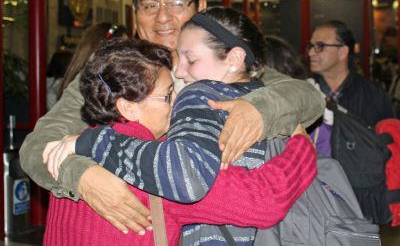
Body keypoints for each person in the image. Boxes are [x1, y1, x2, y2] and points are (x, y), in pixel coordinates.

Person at [20, 0, 324, 235]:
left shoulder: (219, 66)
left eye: (176, 3)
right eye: (150, 5)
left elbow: (304, 96)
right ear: (136, 12)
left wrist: (259, 110)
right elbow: (37, 147)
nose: (163, 17)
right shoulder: (115, 71)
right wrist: (83, 177)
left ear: (199, 8)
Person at [42, 37, 316, 245]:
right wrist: (301, 147)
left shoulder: (73, 162)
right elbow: (264, 201)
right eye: (167, 95)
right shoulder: (162, 166)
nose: (176, 105)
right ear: (128, 107)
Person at [307, 20, 393, 127]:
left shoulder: (373, 96)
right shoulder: (303, 93)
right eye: (310, 46)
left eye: (320, 46)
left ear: (342, 52)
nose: (311, 53)